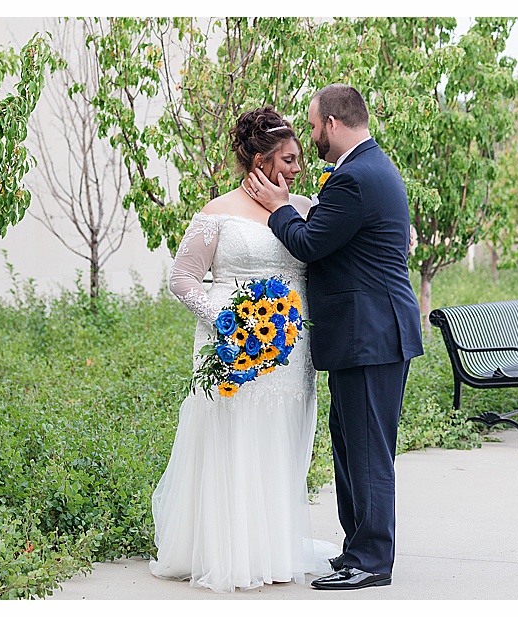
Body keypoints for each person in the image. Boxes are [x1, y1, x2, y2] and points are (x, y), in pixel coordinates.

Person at [242, 84, 424, 591]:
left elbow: (308, 245)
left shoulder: (355, 179)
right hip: (366, 333)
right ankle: (356, 549)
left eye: (316, 125)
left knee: (367, 449)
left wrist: (279, 206)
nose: (314, 135)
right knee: (350, 445)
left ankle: (372, 560)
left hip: (371, 334)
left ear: (336, 124)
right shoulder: (368, 169)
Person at [151, 106, 334, 592]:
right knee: (236, 439)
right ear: (259, 159)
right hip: (233, 346)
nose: (297, 168)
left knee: (281, 439)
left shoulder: (308, 208)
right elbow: (182, 278)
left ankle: (273, 548)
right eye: (289, 159)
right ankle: (229, 551)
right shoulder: (217, 213)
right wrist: (228, 321)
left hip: (292, 350)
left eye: (298, 159)